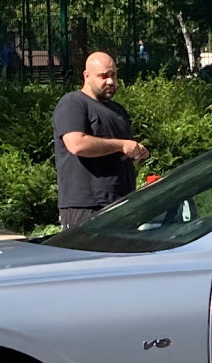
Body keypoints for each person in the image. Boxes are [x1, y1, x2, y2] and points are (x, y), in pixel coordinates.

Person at [53, 50, 145, 229]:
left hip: (121, 202)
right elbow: (77, 144)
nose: (110, 81)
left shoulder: (118, 110)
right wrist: (121, 145)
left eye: (113, 75)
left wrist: (136, 152)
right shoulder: (73, 103)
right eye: (103, 76)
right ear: (86, 76)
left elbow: (119, 152)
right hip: (87, 205)